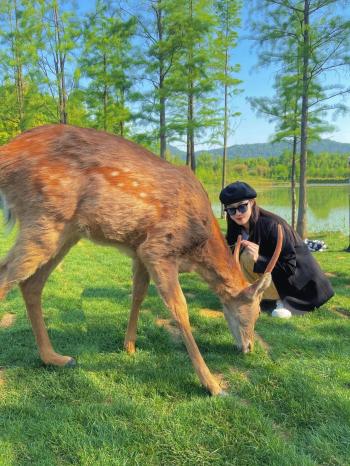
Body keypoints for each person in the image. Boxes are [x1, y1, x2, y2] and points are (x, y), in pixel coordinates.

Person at [219, 181, 334, 318]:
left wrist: (259, 259)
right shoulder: (237, 229)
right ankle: (259, 298)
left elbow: (290, 267)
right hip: (278, 279)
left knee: (248, 256)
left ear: (252, 203)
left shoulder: (272, 225)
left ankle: (280, 302)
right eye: (232, 210)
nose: (237, 213)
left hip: (301, 286)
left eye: (242, 207)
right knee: (238, 256)